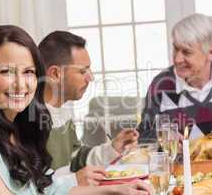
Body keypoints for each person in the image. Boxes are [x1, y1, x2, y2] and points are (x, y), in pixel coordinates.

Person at [0, 25, 152, 195]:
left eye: (28, 71)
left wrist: (117, 190)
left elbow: (49, 189)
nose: (20, 85)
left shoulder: (20, 128)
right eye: (6, 71)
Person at [138, 13, 212, 146]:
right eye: (176, 49)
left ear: (210, 52)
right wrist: (163, 137)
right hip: (184, 166)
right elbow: (144, 133)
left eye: (187, 52)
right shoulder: (160, 85)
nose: (177, 59)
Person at [38, 31, 139, 185]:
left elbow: (76, 159)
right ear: (55, 74)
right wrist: (73, 180)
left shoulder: (62, 110)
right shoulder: (29, 121)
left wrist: (112, 148)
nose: (90, 78)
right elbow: (33, 186)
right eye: (82, 71)